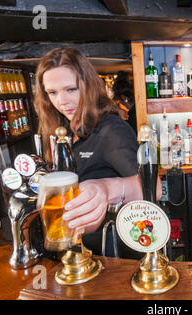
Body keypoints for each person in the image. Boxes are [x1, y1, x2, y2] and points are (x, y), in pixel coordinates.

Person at [34, 47, 161, 258]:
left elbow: (154, 188)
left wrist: (104, 188)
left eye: (71, 89)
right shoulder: (63, 128)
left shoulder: (110, 129)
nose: (62, 101)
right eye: (52, 93)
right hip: (78, 248)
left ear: (88, 85)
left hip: (112, 251)